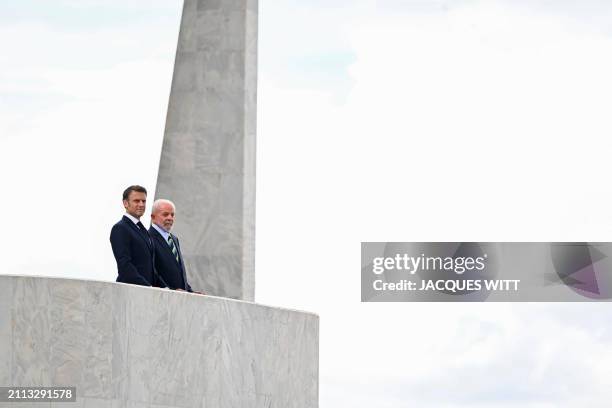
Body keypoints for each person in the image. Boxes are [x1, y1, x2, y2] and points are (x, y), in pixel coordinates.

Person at [110, 185, 167, 287]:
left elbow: (151, 269)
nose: (141, 204)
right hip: (130, 293)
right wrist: (148, 287)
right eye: (136, 201)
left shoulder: (143, 230)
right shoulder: (120, 228)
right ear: (125, 203)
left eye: (143, 201)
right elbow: (125, 266)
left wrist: (166, 289)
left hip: (145, 293)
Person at [149, 199, 196, 293]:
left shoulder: (174, 239)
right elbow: (151, 271)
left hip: (178, 299)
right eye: (165, 214)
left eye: (172, 215)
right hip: (162, 297)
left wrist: (190, 291)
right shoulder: (147, 237)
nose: (170, 218)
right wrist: (170, 290)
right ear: (153, 217)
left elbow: (178, 272)